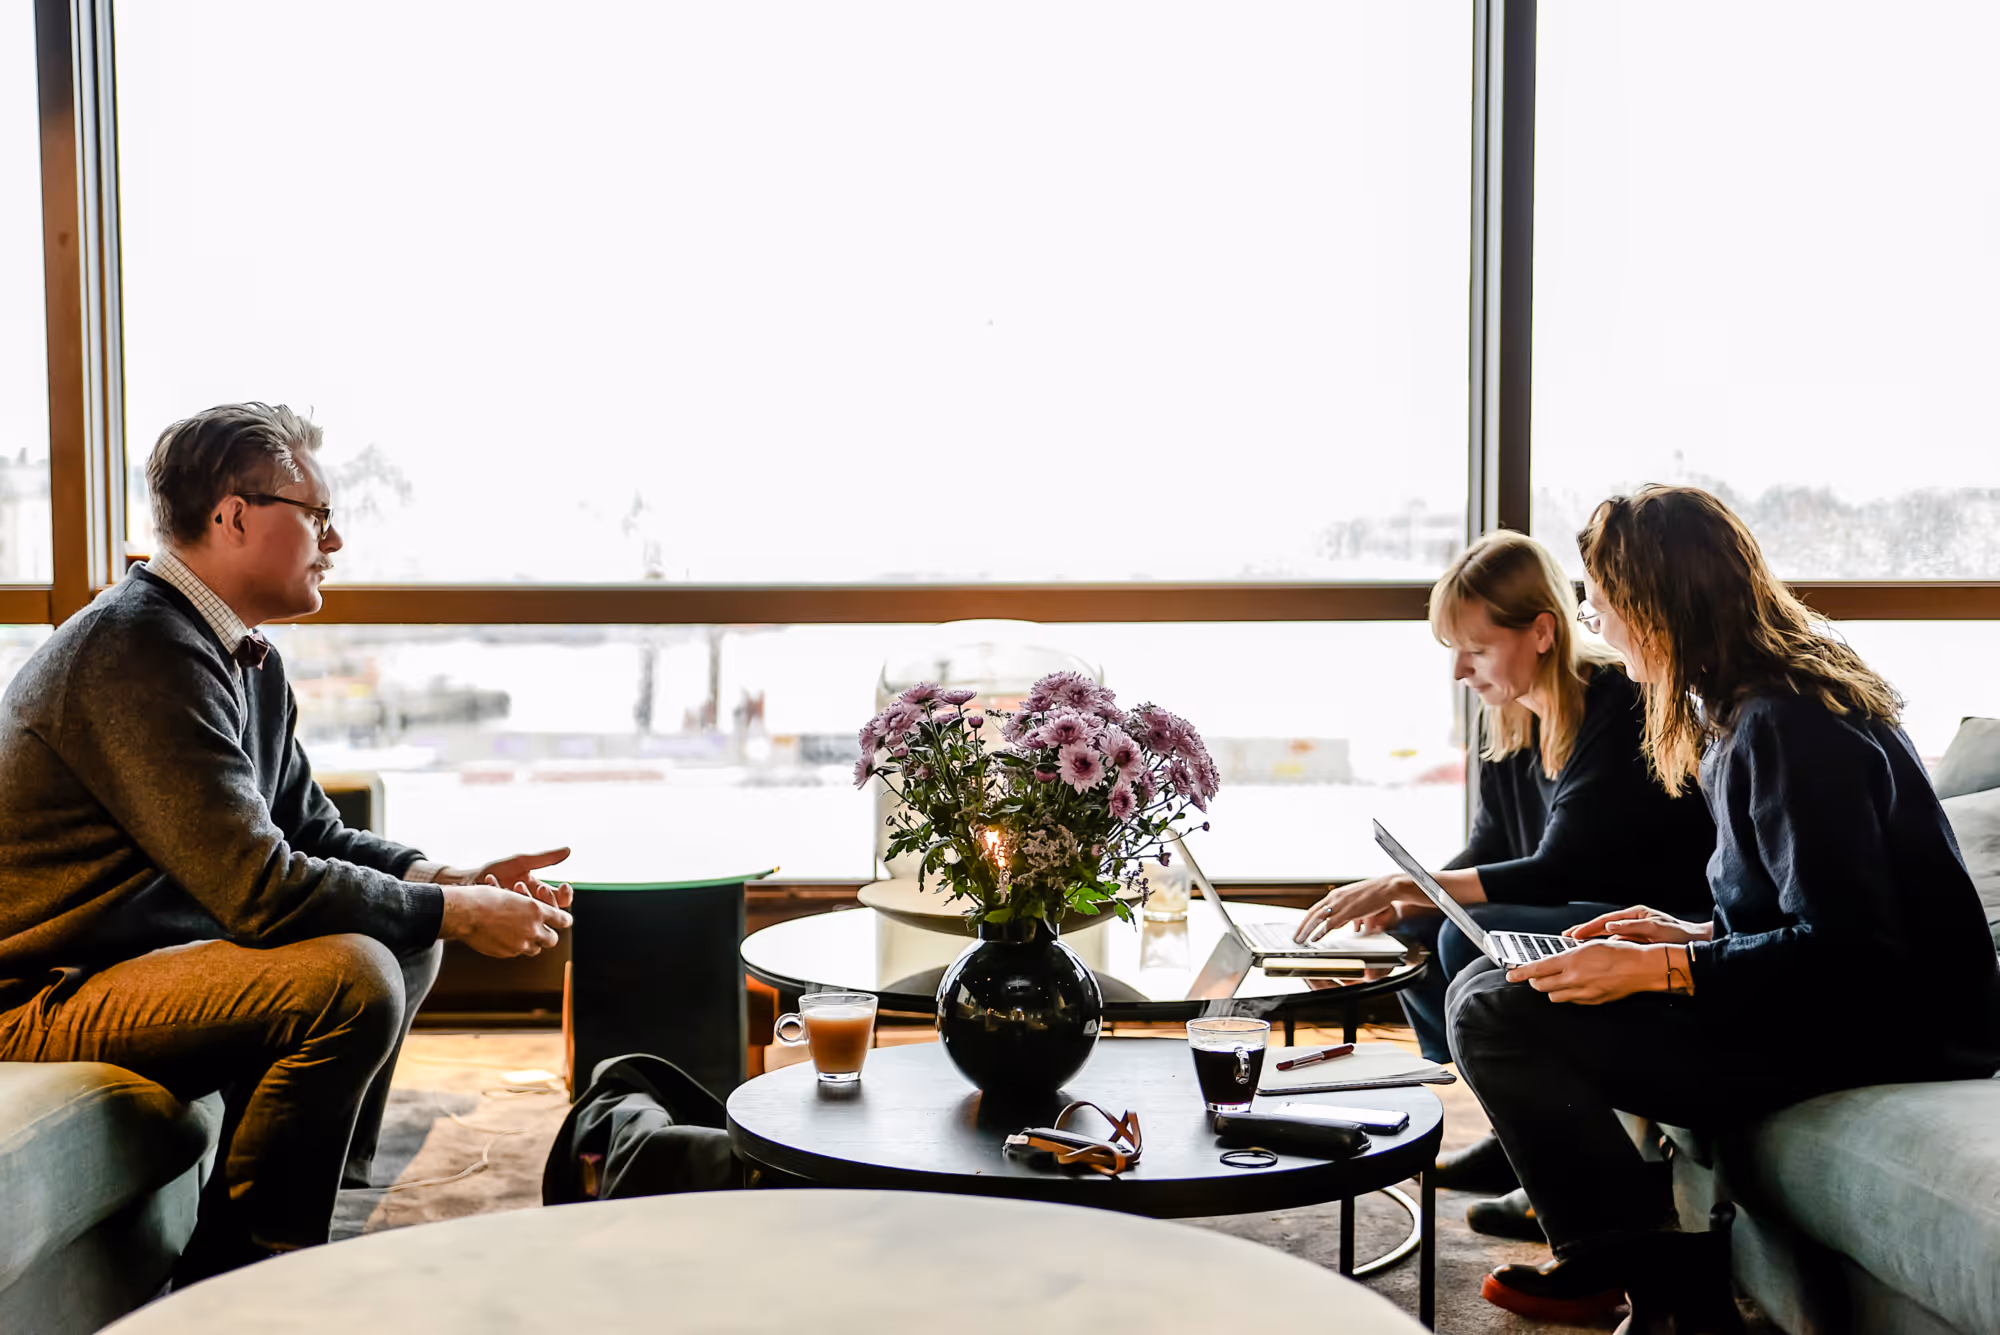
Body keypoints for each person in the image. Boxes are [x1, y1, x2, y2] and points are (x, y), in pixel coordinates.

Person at [0, 403, 578, 1279]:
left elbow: (309, 828)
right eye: (316, 515)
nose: (334, 541)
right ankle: (244, 1277)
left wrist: (447, 878)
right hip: (38, 991)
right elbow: (261, 887)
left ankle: (312, 1210)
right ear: (233, 515)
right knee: (354, 974)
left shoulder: (235, 650)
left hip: (121, 959)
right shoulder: (137, 651)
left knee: (402, 937)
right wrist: (453, 910)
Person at [1450, 486, 2000, 1328]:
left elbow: (1850, 951)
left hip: (1887, 1032)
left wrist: (1663, 967)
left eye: (1600, 597)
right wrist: (1689, 931)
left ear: (1655, 608)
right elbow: (1807, 907)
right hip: (1845, 1010)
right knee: (1489, 988)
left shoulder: (1787, 724)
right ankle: (1630, 1259)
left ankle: (1664, 1290)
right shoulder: (1758, 703)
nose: (1592, 614)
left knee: (1495, 1010)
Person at [1295, 531, 1714, 1222]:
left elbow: (1559, 867)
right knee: (1429, 928)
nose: (1461, 669)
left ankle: (1563, 1151)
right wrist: (1409, 903)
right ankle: (1514, 1124)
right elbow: (1489, 846)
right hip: (1574, 902)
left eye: (1477, 648)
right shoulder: (1510, 715)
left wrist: (1408, 884)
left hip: (1648, 917)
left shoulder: (1617, 705)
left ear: (1543, 631)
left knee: (1471, 935)